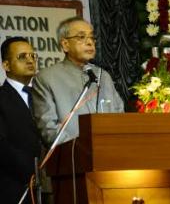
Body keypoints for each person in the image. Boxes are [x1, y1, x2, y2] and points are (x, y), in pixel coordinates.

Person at [31, 16, 124, 145]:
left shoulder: (103, 75)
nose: (90, 42)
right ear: (65, 45)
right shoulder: (47, 77)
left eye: (92, 37)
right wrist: (82, 149)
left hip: (111, 150)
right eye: (81, 37)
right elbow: (49, 130)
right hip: (73, 155)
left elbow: (120, 116)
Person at [0, 37, 42, 204]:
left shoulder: (42, 96)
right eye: (22, 57)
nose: (30, 60)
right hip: (14, 197)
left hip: (45, 196)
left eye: (33, 55)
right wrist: (33, 170)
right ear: (6, 65)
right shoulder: (1, 98)